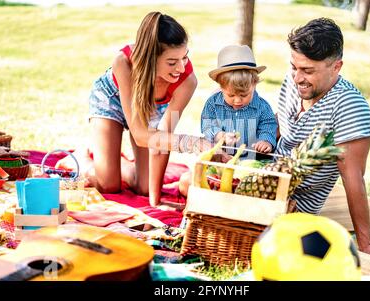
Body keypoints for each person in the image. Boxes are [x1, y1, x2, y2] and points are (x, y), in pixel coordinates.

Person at [275, 17, 370, 260]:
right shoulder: (295, 79)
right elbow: (282, 124)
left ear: (336, 67)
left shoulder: (349, 106)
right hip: (265, 174)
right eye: (294, 67)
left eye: (307, 71)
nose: (297, 78)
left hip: (294, 205)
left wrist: (365, 244)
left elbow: (353, 177)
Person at [56, 12, 217, 207]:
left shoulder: (187, 82)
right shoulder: (123, 63)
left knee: (145, 188)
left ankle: (115, 161)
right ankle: (81, 158)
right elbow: (141, 135)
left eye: (185, 57)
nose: (182, 68)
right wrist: (193, 143)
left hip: (149, 109)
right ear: (150, 58)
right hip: (111, 100)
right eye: (172, 62)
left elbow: (164, 137)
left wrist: (154, 201)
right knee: (108, 185)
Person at [201, 44, 278, 158]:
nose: (237, 101)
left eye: (244, 95)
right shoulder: (213, 104)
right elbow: (207, 125)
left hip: (252, 161)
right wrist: (220, 135)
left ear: (254, 85)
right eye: (231, 95)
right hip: (222, 159)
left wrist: (265, 141)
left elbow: (268, 126)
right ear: (221, 87)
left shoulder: (262, 107)